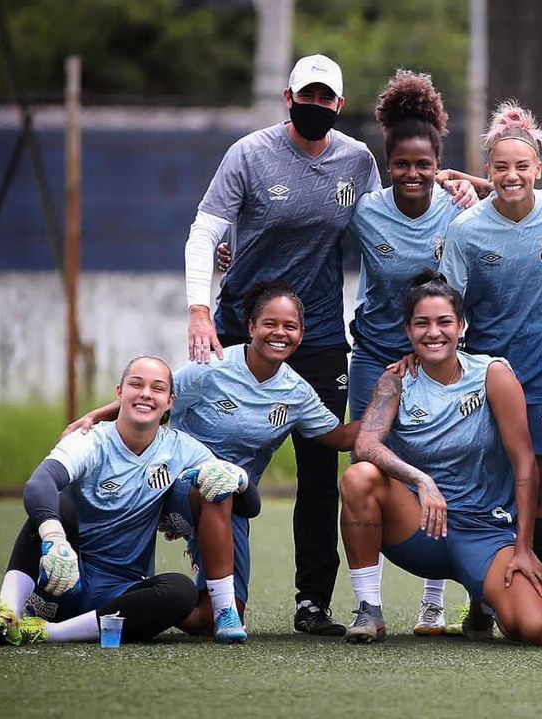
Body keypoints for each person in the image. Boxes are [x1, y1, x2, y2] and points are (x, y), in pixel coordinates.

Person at [183, 53, 380, 635]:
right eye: (306, 96)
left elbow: (388, 229)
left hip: (316, 333)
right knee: (201, 453)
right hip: (241, 327)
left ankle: (312, 601)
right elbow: (206, 231)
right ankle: (187, 574)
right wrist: (199, 309)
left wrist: (461, 191)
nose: (316, 106)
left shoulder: (358, 160)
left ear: (339, 106)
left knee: (321, 473)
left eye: (327, 99)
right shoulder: (248, 153)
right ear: (287, 97)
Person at [66, 282, 357, 642]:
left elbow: (340, 438)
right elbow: (156, 396)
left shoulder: (296, 392)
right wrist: (96, 417)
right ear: (251, 327)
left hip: (234, 502)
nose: (279, 333)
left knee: (207, 624)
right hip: (167, 485)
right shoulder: (212, 367)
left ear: (301, 333)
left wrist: (393, 402)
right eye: (269, 323)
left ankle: (161, 606)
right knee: (213, 481)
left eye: (290, 326)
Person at [337, 270, 542, 646]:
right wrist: (421, 480)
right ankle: (369, 608)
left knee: (536, 629)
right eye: (422, 323)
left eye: (444, 322)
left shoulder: (493, 375)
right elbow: (366, 446)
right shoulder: (394, 381)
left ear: (461, 326)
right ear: (408, 331)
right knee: (359, 477)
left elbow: (525, 464)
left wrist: (523, 548)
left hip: (485, 532)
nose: (433, 332)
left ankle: (483, 602)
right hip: (419, 528)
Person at [438, 101, 542, 635]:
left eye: (521, 166)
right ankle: (485, 594)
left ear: (539, 169)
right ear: (488, 170)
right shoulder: (467, 230)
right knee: (490, 482)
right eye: (500, 167)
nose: (511, 176)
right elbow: (447, 305)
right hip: (486, 371)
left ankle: (534, 585)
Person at [0, 356, 246, 646]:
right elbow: (39, 484)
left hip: (120, 596)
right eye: (136, 384)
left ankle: (46, 632)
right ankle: (5, 613)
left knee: (180, 591)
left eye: (157, 388)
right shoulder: (90, 440)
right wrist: (54, 539)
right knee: (59, 508)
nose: (145, 393)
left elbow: (248, 506)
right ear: (119, 393)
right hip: (64, 577)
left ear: (170, 401)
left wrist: (238, 476)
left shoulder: (180, 448)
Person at [346, 70, 465, 635]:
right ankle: (368, 605)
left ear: (439, 165)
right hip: (376, 355)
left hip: (440, 354)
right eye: (402, 164)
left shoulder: (459, 210)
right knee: (365, 466)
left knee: (442, 460)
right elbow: (305, 238)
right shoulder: (365, 211)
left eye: (424, 165)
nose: (412, 174)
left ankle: (434, 598)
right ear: (386, 164)